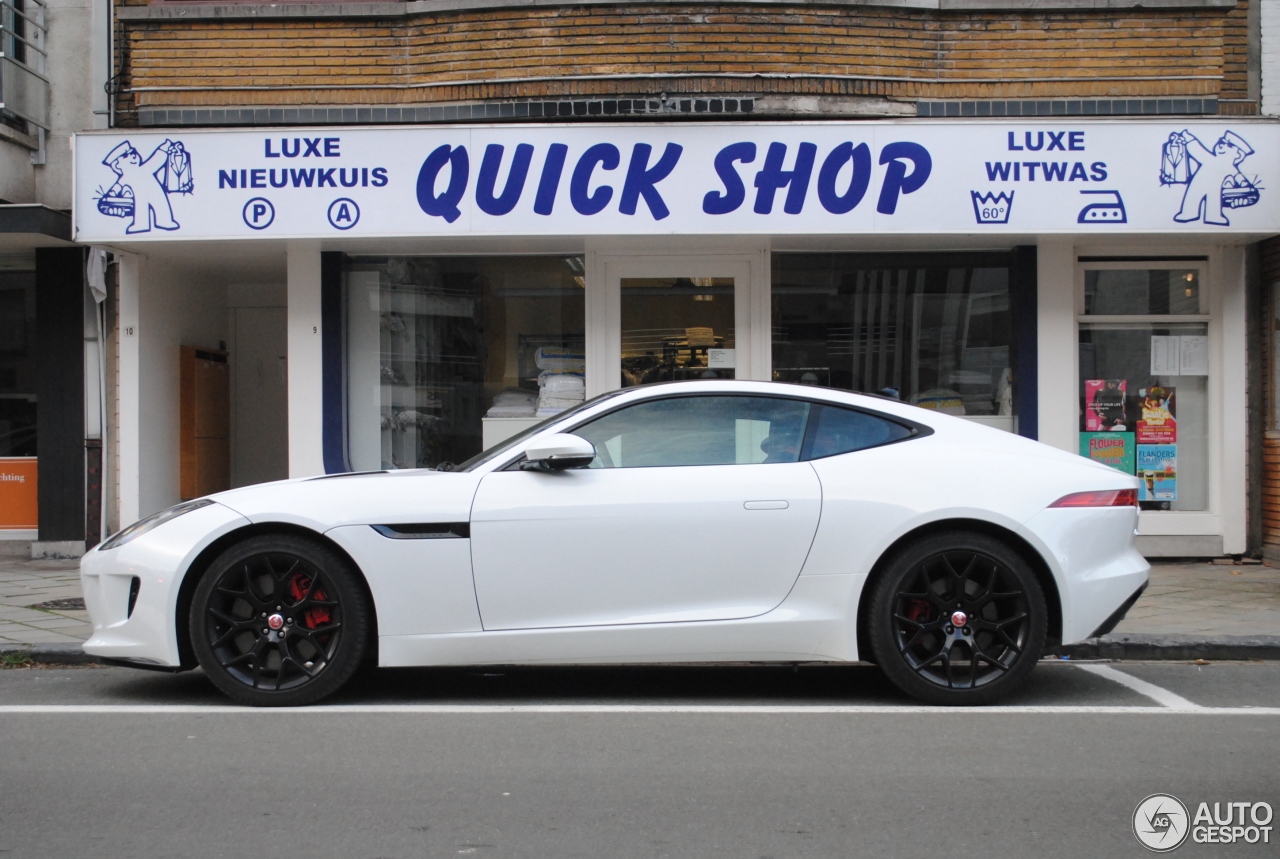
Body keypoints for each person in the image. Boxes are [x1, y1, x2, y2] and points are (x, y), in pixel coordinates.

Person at [1173, 130, 1253, 226]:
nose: (1220, 146)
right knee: (1193, 197)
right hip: (1199, 184)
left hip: (1215, 187)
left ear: (1238, 155)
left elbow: (1240, 179)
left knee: (1214, 199)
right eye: (1221, 143)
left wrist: (1246, 188)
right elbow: (1197, 150)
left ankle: (1213, 216)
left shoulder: (1230, 168)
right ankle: (1189, 213)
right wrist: (1189, 138)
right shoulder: (1210, 159)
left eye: (1229, 146)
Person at [102, 139, 181, 234]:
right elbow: (115, 189)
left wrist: (164, 148)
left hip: (156, 193)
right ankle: (140, 225)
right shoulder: (125, 178)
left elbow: (157, 160)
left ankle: (165, 221)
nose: (133, 156)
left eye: (133, 153)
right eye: (126, 156)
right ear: (117, 165)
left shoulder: (144, 168)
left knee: (161, 206)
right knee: (141, 209)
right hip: (140, 197)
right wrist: (111, 196)